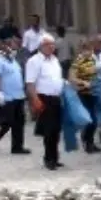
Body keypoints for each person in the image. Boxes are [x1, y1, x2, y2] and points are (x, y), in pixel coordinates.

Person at [25, 34, 66, 170]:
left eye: (53, 44)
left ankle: (55, 157)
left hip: (56, 98)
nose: (52, 47)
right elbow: (30, 83)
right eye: (48, 44)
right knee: (48, 130)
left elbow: (57, 78)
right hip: (44, 98)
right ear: (41, 46)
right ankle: (48, 159)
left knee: (56, 130)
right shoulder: (34, 61)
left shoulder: (54, 60)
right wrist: (35, 101)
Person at [0, 37, 29, 155]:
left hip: (18, 96)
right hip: (6, 97)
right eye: (13, 47)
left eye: (16, 47)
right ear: (5, 47)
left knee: (19, 122)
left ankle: (17, 147)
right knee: (5, 122)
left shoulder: (14, 61)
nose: (14, 49)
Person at [68, 40, 101, 153]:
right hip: (83, 94)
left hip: (94, 93)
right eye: (87, 50)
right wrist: (82, 82)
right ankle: (87, 142)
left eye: (90, 50)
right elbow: (71, 78)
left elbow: (98, 71)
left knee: (95, 120)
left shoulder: (93, 59)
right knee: (91, 119)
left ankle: (90, 141)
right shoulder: (78, 61)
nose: (89, 52)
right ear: (82, 50)